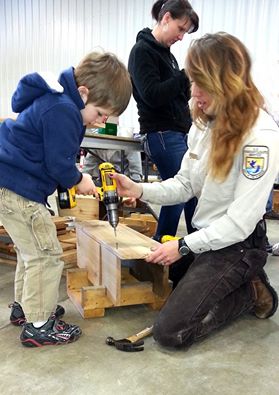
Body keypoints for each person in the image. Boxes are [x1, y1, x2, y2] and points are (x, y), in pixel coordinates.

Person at [111, 32, 279, 349]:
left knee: (171, 331)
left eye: (203, 84)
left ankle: (250, 291)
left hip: (239, 243)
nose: (195, 93)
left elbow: (239, 223)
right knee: (150, 269)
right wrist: (139, 189)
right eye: (192, 81)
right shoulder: (204, 122)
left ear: (228, 81)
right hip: (206, 236)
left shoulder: (261, 137)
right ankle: (223, 279)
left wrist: (184, 246)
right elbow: (185, 184)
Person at [0, 52, 132, 347]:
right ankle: (38, 325)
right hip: (19, 191)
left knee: (29, 251)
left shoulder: (57, 102)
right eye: (99, 113)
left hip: (11, 186)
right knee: (46, 255)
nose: (101, 122)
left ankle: (27, 307)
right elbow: (59, 164)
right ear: (83, 93)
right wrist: (80, 180)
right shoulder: (64, 110)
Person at [128, 0, 199, 239]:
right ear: (166, 18)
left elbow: (178, 95)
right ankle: (166, 248)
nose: (181, 37)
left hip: (178, 132)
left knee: (186, 191)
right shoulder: (142, 51)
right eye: (180, 29)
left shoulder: (168, 56)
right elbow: (152, 95)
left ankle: (178, 253)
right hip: (161, 133)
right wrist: (184, 75)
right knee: (183, 192)